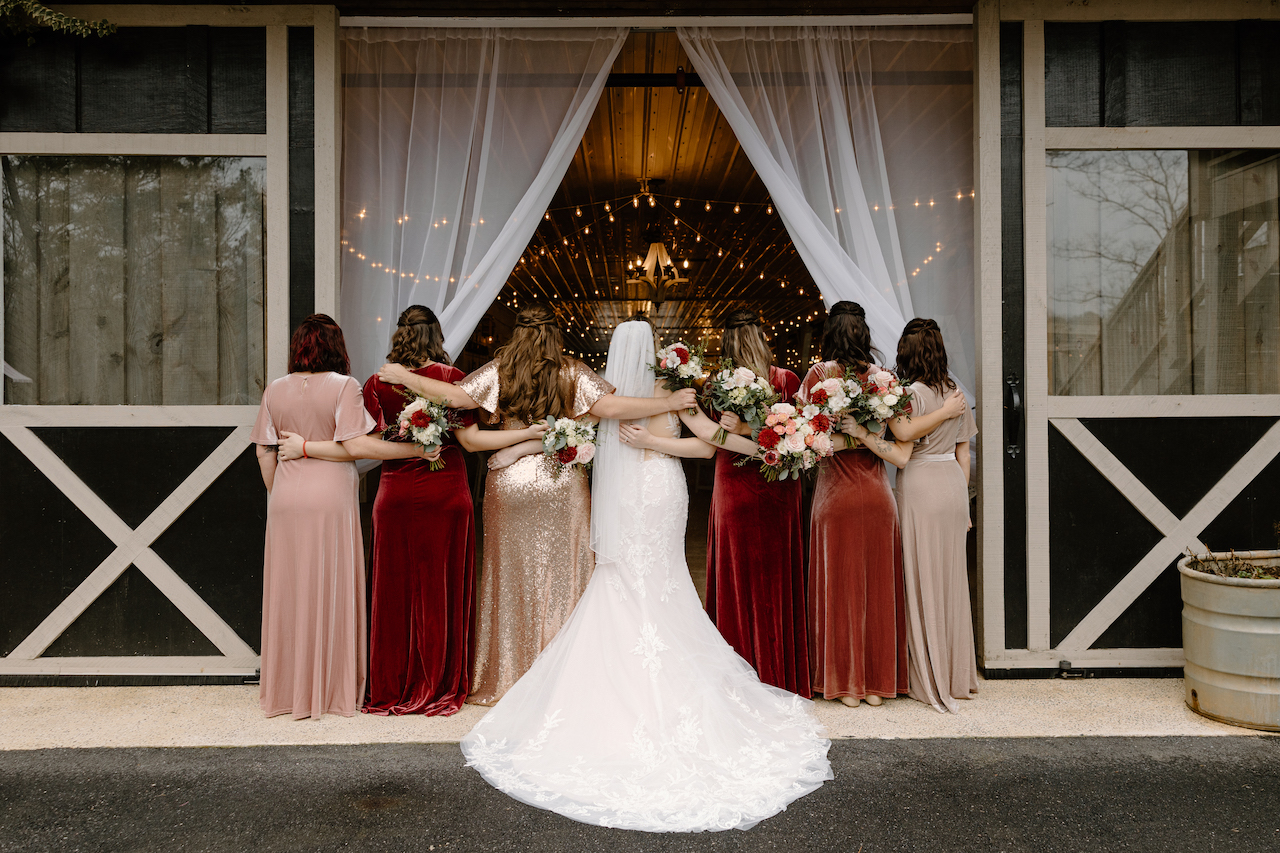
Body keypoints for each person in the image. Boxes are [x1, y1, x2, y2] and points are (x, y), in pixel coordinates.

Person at [460, 318, 832, 832]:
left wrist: (642, 445)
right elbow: (700, 445)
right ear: (655, 351)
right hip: (653, 491)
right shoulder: (662, 391)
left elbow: (684, 444)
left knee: (653, 578)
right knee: (644, 580)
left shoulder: (606, 392)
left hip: (648, 489)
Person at [378, 303, 698, 705]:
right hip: (561, 481)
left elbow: (457, 398)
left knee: (510, 580)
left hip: (509, 484)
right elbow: (611, 409)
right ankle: (564, 677)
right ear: (554, 333)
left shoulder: (500, 369)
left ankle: (510, 675)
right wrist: (667, 404)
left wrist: (405, 375)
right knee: (565, 578)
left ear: (518, 334)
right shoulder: (570, 370)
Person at [277, 305, 478, 716]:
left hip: (395, 492)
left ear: (399, 335)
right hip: (446, 490)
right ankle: (438, 683)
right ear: (436, 336)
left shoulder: (375, 382)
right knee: (441, 588)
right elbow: (470, 434)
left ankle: (390, 685)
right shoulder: (454, 381)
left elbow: (363, 443)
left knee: (394, 590)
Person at [250, 314, 386, 719]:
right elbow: (356, 447)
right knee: (331, 583)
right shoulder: (345, 387)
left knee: (289, 588)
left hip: (287, 498)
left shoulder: (275, 390)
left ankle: (287, 693)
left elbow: (263, 451)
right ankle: (331, 691)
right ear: (336, 348)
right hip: (330, 496)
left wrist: (280, 492)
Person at [703, 309, 810, 696]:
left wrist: (745, 427)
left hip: (732, 480)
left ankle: (735, 674)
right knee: (775, 575)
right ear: (761, 338)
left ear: (726, 343)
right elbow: (801, 433)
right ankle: (777, 671)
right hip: (778, 486)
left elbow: (712, 437)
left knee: (736, 575)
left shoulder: (717, 384)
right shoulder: (786, 379)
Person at [892, 318, 979, 713]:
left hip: (922, 484)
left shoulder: (910, 395)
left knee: (922, 576)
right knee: (951, 580)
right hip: (952, 486)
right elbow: (964, 456)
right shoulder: (955, 394)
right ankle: (956, 673)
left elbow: (905, 435)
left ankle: (927, 673)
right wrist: (963, 502)